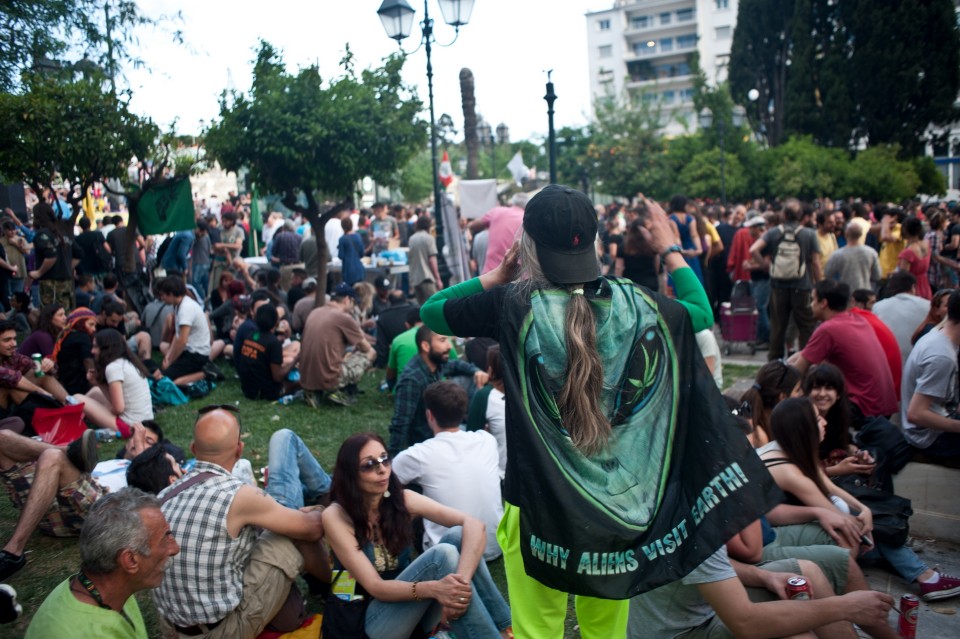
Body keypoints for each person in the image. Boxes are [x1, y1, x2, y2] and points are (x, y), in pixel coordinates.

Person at [420, 186, 775, 637]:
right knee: (605, 632)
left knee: (536, 631)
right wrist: (670, 248)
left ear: (527, 245)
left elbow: (433, 312)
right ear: (593, 243)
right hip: (617, 510)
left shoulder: (511, 303)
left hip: (535, 505)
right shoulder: (638, 303)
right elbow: (702, 314)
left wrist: (496, 275)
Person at [154, 406, 331, 639]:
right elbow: (312, 528)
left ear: (193, 449)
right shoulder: (237, 494)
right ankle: (342, 587)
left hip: (173, 630)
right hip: (222, 631)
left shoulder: (163, 496)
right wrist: (320, 511)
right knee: (292, 533)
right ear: (239, 450)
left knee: (281, 523)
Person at [759, 397, 960, 601]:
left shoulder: (786, 446)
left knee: (860, 519)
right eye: (818, 418)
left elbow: (827, 485)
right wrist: (863, 524)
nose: (824, 422)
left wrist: (863, 510)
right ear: (803, 428)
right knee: (852, 533)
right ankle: (923, 576)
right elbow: (834, 514)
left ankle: (922, 575)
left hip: (785, 517)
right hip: (768, 533)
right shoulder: (788, 472)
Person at [321, 433, 512, 639]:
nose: (382, 469)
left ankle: (505, 629)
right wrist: (437, 589)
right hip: (359, 620)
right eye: (369, 465)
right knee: (442, 556)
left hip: (407, 607)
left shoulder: (401, 500)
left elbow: (474, 526)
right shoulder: (336, 516)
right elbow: (376, 587)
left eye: (385, 459)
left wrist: (458, 588)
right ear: (350, 474)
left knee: (458, 535)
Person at [25, 488, 179, 638]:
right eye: (165, 538)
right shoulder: (83, 633)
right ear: (131, 560)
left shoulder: (105, 590)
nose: (175, 548)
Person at [392, 381, 504, 560]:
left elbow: (386, 483)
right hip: (493, 546)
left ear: (429, 415)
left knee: (405, 491)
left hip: (450, 552)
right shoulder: (487, 440)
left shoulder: (418, 455)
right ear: (462, 413)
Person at [0, 428, 100, 581]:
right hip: (41, 510)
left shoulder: (137, 470)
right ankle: (70, 451)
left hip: (88, 514)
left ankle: (13, 551)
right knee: (3, 437)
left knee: (52, 456)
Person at [388, 325, 485, 456]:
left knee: (470, 379)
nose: (449, 346)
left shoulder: (436, 364)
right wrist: (393, 459)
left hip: (444, 428)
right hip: (429, 441)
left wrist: (476, 371)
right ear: (426, 346)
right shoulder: (412, 380)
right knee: (483, 437)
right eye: (442, 340)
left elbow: (456, 365)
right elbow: (401, 423)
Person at [750, 198, 822, 360]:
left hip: (778, 285)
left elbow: (753, 249)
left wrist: (766, 267)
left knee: (778, 326)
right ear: (801, 215)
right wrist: (819, 284)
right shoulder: (809, 234)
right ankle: (806, 360)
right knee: (805, 326)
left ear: (783, 214)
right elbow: (815, 262)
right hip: (802, 286)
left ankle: (774, 362)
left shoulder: (773, 232)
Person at [901, 289, 960, 463]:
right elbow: (916, 414)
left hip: (933, 426)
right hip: (928, 439)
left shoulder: (938, 334)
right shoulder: (942, 356)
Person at [299, 282, 375, 407]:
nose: (353, 306)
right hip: (329, 377)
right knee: (371, 353)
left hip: (306, 378)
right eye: (354, 302)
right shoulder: (343, 317)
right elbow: (366, 347)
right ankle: (336, 390)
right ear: (347, 300)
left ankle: (313, 392)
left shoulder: (315, 312)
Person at [75, 328, 154, 435]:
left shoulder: (113, 368)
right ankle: (78, 420)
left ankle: (70, 424)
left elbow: (118, 409)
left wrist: (103, 409)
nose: (92, 351)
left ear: (106, 349)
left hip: (130, 426)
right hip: (145, 422)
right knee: (94, 391)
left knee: (77, 398)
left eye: (95, 347)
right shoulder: (126, 362)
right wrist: (98, 382)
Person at [235, 303, 299, 401]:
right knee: (301, 382)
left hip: (247, 389)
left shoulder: (251, 335)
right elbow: (278, 377)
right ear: (275, 321)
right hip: (264, 393)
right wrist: (296, 359)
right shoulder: (273, 342)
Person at [157, 276, 211, 387]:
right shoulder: (178, 305)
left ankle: (206, 373)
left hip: (196, 355)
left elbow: (182, 340)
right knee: (160, 373)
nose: (162, 298)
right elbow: (177, 336)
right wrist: (169, 356)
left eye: (163, 295)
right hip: (188, 351)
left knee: (166, 381)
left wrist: (171, 360)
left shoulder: (186, 308)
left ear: (171, 294)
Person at [739, 360, 803, 448]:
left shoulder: (769, 422)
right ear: (783, 397)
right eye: (797, 390)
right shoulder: (759, 436)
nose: (801, 394)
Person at [872, 271, 929, 365]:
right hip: (920, 360)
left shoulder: (878, 306)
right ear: (913, 287)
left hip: (888, 360)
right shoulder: (928, 306)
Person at [467, 193, 529, 275]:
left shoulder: (497, 211)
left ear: (512, 203)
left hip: (491, 275)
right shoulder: (528, 220)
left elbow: (472, 225)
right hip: (516, 277)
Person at [823, 223, 881, 292]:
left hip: (845, 293)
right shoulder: (871, 252)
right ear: (861, 234)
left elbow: (827, 273)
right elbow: (877, 275)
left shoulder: (838, 254)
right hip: (865, 293)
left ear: (846, 233)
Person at [52, 308, 97, 395]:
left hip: (65, 385)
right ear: (80, 323)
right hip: (77, 387)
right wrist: (95, 387)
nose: (94, 329)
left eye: (95, 325)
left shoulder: (68, 336)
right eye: (91, 324)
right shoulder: (82, 337)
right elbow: (88, 363)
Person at [408, 215, 443, 304]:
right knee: (434, 305)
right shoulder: (429, 238)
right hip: (427, 277)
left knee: (422, 308)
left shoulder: (411, 238)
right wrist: (438, 278)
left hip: (415, 279)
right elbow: (432, 260)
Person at [898, 216, 932, 300]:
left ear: (905, 230)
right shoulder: (927, 244)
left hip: (912, 289)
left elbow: (903, 277)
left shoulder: (907, 253)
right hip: (925, 285)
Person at [337, 217, 366, 287]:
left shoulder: (342, 239)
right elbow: (362, 253)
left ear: (342, 226)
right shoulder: (358, 236)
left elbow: (341, 255)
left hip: (348, 270)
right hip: (359, 269)